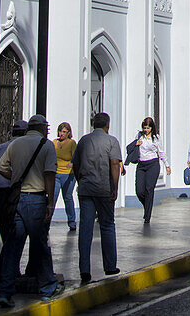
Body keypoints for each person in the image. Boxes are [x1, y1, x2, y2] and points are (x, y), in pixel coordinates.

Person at [0, 114, 62, 308]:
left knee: (12, 246)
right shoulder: (46, 145)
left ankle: (5, 290)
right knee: (40, 244)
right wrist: (50, 202)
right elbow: (49, 174)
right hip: (36, 198)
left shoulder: (15, 145)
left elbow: (0, 168)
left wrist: (15, 178)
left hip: (17, 199)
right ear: (42, 128)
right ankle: (47, 286)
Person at [72, 112, 122, 285]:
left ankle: (84, 269)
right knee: (107, 225)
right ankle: (110, 265)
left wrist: (81, 180)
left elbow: (75, 164)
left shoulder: (84, 141)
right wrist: (114, 187)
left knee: (85, 228)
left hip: (86, 189)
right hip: (104, 189)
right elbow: (115, 164)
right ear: (107, 125)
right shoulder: (111, 141)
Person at [0, 120, 29, 284]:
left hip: (0, 195)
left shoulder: (0, 148)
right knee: (15, 234)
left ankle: (9, 269)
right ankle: (3, 268)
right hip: (16, 193)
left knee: (7, 233)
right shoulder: (24, 149)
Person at [125, 118, 170, 224]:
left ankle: (147, 215)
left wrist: (167, 165)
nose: (146, 130)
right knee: (139, 190)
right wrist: (136, 143)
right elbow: (131, 147)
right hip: (141, 165)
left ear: (152, 128)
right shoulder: (139, 136)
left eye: (148, 128)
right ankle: (147, 205)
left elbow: (161, 152)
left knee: (149, 189)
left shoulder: (155, 138)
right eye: (144, 128)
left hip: (153, 164)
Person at [53, 122, 77, 232]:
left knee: (67, 197)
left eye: (64, 132)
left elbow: (75, 158)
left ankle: (72, 221)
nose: (61, 134)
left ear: (68, 133)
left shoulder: (72, 143)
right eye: (60, 131)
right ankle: (47, 221)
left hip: (68, 174)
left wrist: (72, 164)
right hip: (56, 174)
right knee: (53, 197)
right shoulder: (54, 142)